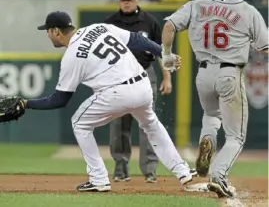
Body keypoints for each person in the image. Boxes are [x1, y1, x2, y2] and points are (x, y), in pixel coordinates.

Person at [22, 10, 193, 192]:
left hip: (117, 93)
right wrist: (163, 53)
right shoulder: (99, 28)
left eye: (48, 31)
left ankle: (98, 179)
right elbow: (137, 39)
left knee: (79, 124)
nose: (48, 35)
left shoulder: (71, 56)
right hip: (142, 85)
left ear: (56, 31)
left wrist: (26, 104)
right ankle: (182, 171)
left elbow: (59, 100)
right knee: (151, 124)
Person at [161, 0, 268, 198]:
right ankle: (218, 175)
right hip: (230, 73)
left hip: (203, 74)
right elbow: (265, 46)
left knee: (211, 115)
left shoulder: (197, 5)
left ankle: (207, 139)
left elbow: (169, 26)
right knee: (236, 137)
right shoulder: (248, 10)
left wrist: (167, 55)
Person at [104, 0, 172, 183]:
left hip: (144, 73)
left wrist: (167, 77)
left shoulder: (149, 22)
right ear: (119, 0)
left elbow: (163, 52)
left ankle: (149, 170)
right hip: (118, 77)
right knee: (119, 125)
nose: (126, 3)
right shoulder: (109, 23)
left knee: (148, 124)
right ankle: (120, 169)